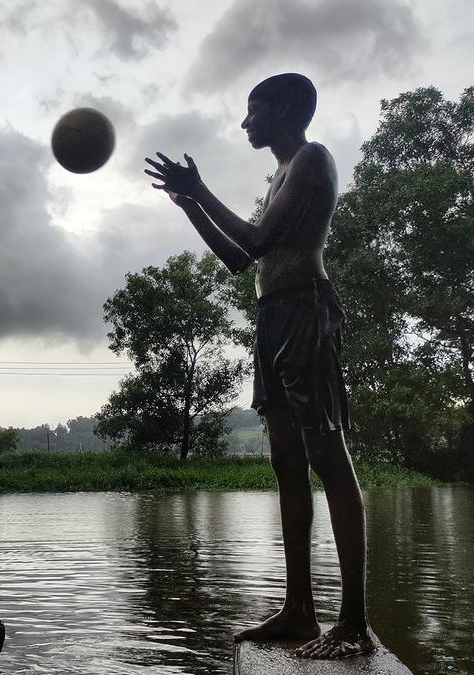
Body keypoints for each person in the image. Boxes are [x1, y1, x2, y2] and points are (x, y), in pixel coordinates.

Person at [144, 73, 373, 659]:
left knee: (327, 453)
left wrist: (203, 188)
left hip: (305, 309)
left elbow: (256, 241)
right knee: (286, 463)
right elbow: (234, 260)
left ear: (287, 110)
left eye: (253, 111)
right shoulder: (278, 175)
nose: (245, 123)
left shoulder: (311, 160)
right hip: (271, 315)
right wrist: (191, 203)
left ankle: (352, 623)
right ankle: (300, 611)